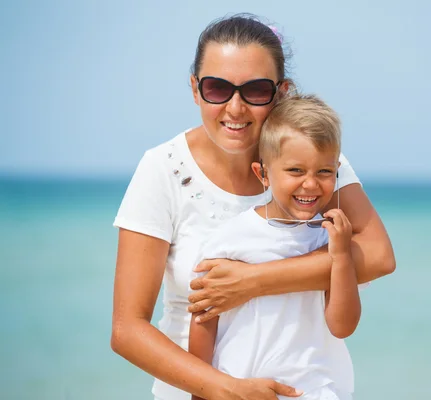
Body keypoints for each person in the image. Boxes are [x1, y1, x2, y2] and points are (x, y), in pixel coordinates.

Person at [111, 13, 395, 400]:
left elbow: (378, 256)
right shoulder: (164, 169)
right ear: (195, 89)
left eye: (256, 90)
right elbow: (128, 328)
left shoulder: (314, 166)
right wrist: (224, 389)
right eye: (217, 88)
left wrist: (251, 282)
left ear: (281, 92)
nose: (235, 107)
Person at [189, 94, 362, 400]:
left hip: (317, 391)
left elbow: (342, 326)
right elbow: (203, 319)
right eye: (296, 171)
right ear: (264, 174)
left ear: (337, 171)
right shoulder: (231, 238)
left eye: (324, 172)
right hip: (241, 388)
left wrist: (342, 257)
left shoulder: (329, 239)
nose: (310, 184)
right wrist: (203, 392)